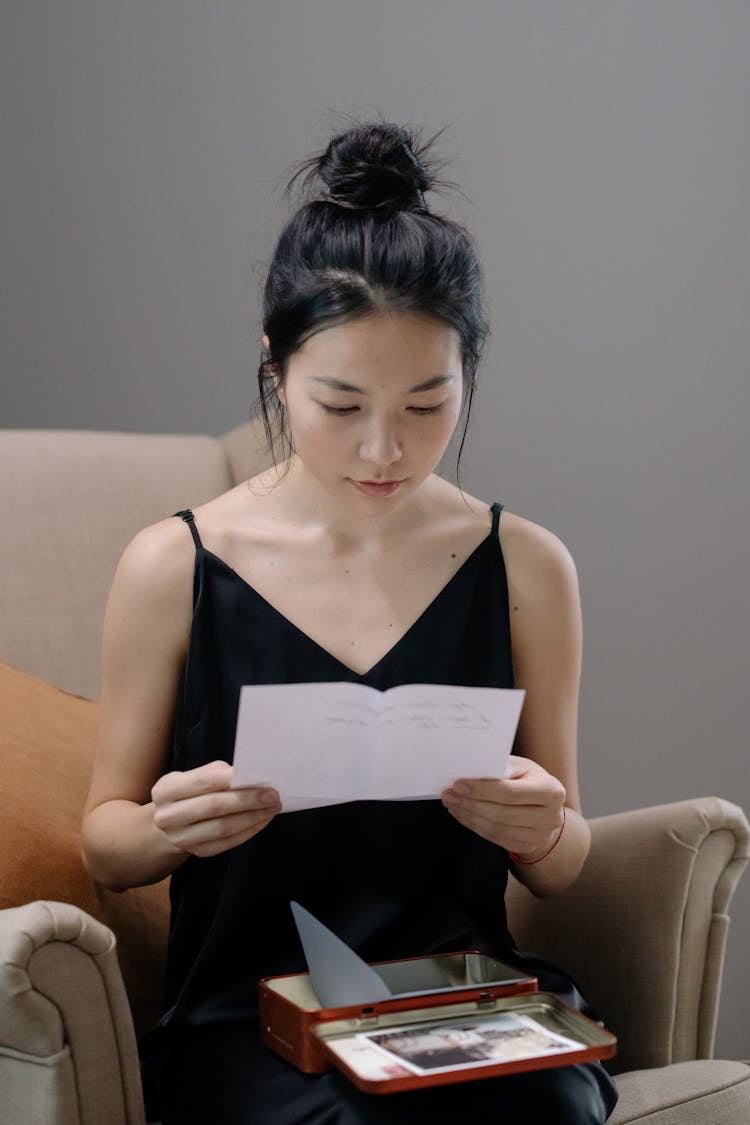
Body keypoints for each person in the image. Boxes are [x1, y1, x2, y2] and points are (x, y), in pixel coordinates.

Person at [81, 118, 618, 1124]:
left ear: (469, 375)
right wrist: (167, 828)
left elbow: (565, 854)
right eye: (340, 404)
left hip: (456, 996)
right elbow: (105, 845)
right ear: (276, 366)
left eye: (427, 406)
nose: (385, 450)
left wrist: (541, 826)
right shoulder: (174, 565)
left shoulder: (525, 566)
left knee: (551, 1109)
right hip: (250, 1015)